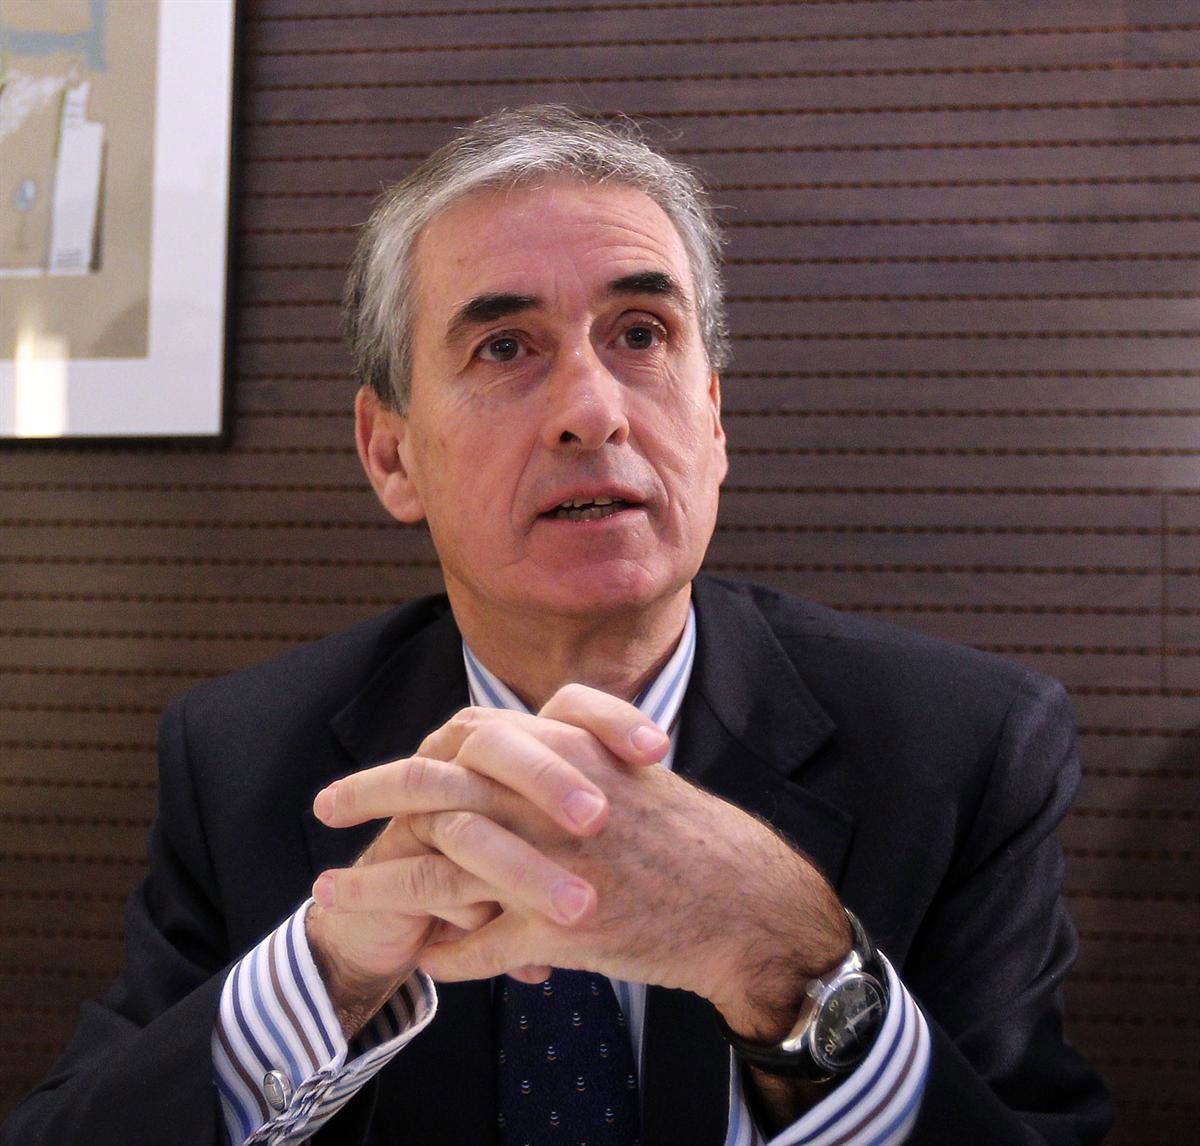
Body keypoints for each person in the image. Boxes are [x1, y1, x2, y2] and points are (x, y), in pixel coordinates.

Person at [3, 106, 1112, 1146]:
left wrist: (798, 968)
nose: (593, 410)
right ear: (391, 454)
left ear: (713, 419)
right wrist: (322, 979)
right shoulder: (244, 759)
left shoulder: (962, 748)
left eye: (642, 333)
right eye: (504, 348)